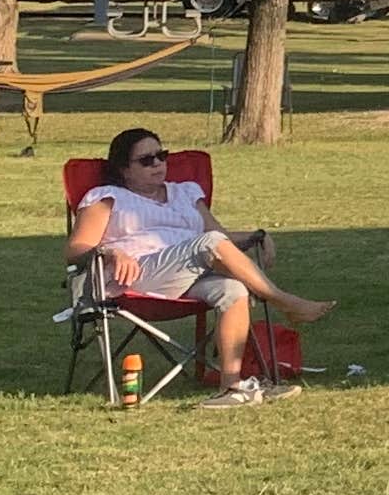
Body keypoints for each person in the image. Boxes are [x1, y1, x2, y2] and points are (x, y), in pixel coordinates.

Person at [66, 126, 335, 404]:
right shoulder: (107, 197)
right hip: (133, 278)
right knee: (207, 243)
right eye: (146, 160)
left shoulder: (185, 193)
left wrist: (259, 234)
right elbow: (75, 250)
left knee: (232, 289)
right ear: (124, 169)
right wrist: (111, 252)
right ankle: (284, 302)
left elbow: (222, 237)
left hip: (187, 273)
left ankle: (232, 387)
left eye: (162, 155)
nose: (158, 163)